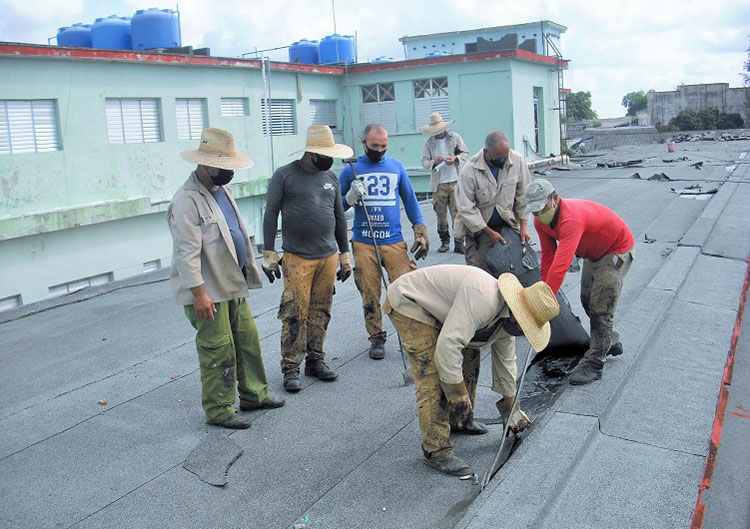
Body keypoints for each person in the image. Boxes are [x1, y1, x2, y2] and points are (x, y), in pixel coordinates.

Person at [383, 265, 559, 475]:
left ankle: (459, 420)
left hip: (444, 309)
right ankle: (436, 450)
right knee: (432, 374)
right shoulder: (484, 301)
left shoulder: (508, 316)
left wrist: (511, 407)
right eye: (526, 324)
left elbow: (506, 362)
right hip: (410, 303)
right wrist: (457, 394)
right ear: (518, 311)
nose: (524, 330)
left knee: (470, 354)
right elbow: (448, 346)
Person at [167, 127, 284, 429]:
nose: (230, 173)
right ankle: (219, 410)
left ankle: (254, 395)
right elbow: (186, 253)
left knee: (247, 341)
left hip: (231, 286)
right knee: (217, 349)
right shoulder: (186, 201)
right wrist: (198, 293)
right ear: (205, 164)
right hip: (208, 293)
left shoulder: (222, 191)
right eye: (225, 166)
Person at [262, 125, 354, 393]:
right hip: (297, 258)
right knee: (294, 313)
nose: (329, 160)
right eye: (324, 154)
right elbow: (271, 214)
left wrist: (345, 254)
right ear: (310, 152)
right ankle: (291, 368)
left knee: (321, 311)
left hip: (328, 256)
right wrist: (270, 252)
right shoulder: (284, 175)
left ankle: (316, 359)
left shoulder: (331, 177)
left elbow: (339, 217)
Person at [524, 179, 635, 385]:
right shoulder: (542, 221)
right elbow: (548, 256)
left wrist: (545, 302)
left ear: (554, 199)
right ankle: (610, 340)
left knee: (600, 309)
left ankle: (594, 363)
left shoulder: (570, 219)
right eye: (534, 211)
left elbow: (561, 264)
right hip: (593, 254)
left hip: (615, 250)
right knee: (586, 300)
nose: (538, 215)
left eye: (542, 208)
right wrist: (542, 292)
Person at [339, 123, 429, 360]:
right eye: (375, 146)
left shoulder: (396, 167)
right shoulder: (351, 169)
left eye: (384, 146)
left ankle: (411, 334)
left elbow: (410, 200)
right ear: (364, 143)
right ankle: (376, 337)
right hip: (363, 241)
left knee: (405, 290)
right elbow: (335, 207)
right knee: (369, 292)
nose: (379, 150)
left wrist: (419, 228)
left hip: (393, 240)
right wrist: (349, 197)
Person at [455, 131, 532, 271]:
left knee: (512, 273)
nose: (503, 161)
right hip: (480, 231)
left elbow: (523, 196)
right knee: (480, 275)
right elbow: (466, 208)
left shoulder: (517, 161)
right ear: (486, 152)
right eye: (498, 158)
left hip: (508, 226)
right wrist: (489, 233)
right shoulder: (470, 170)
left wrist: (524, 227)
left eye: (505, 157)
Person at [419, 112, 470, 254]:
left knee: (457, 214)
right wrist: (435, 161)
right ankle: (444, 241)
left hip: (455, 180)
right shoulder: (429, 144)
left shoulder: (454, 138)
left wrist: (455, 158)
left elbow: (465, 153)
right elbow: (424, 162)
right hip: (439, 184)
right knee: (441, 215)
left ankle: (459, 242)